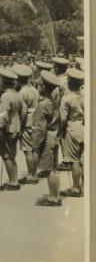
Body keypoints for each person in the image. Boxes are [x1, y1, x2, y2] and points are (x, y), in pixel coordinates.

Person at [32, 70, 62, 207]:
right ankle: (55, 195)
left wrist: (36, 146)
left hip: (46, 139)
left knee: (49, 170)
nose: (37, 86)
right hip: (54, 136)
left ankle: (53, 198)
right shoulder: (54, 102)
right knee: (54, 169)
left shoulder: (42, 105)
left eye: (39, 84)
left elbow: (40, 129)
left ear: (43, 87)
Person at [59, 68, 85, 198]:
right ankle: (83, 187)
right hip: (83, 126)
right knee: (83, 160)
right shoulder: (85, 96)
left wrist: (61, 132)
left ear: (70, 83)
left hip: (72, 127)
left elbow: (63, 118)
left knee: (74, 160)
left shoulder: (67, 99)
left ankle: (75, 187)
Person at [0, 68, 23, 191]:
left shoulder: (5, 96)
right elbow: (22, 112)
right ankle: (15, 179)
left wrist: (0, 128)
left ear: (3, 82)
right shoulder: (18, 94)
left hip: (8, 129)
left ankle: (13, 182)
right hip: (16, 127)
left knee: (6, 155)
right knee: (12, 155)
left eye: (0, 81)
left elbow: (3, 115)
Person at [14, 64, 40, 185]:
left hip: (28, 121)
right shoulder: (35, 90)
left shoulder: (22, 92)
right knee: (35, 148)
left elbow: (23, 111)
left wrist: (20, 124)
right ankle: (34, 173)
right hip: (37, 120)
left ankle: (31, 175)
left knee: (27, 149)